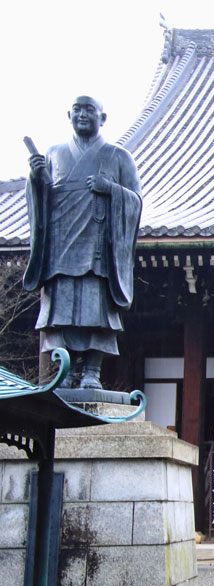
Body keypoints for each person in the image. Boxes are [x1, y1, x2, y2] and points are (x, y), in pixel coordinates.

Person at [24, 96, 143, 390]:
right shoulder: (54, 154)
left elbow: (136, 202)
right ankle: (63, 371)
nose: (82, 114)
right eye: (77, 109)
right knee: (61, 314)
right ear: (68, 114)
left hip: (97, 249)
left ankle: (91, 371)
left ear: (103, 118)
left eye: (89, 109)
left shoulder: (118, 156)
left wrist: (111, 189)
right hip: (61, 248)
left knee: (96, 313)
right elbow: (42, 204)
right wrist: (37, 179)